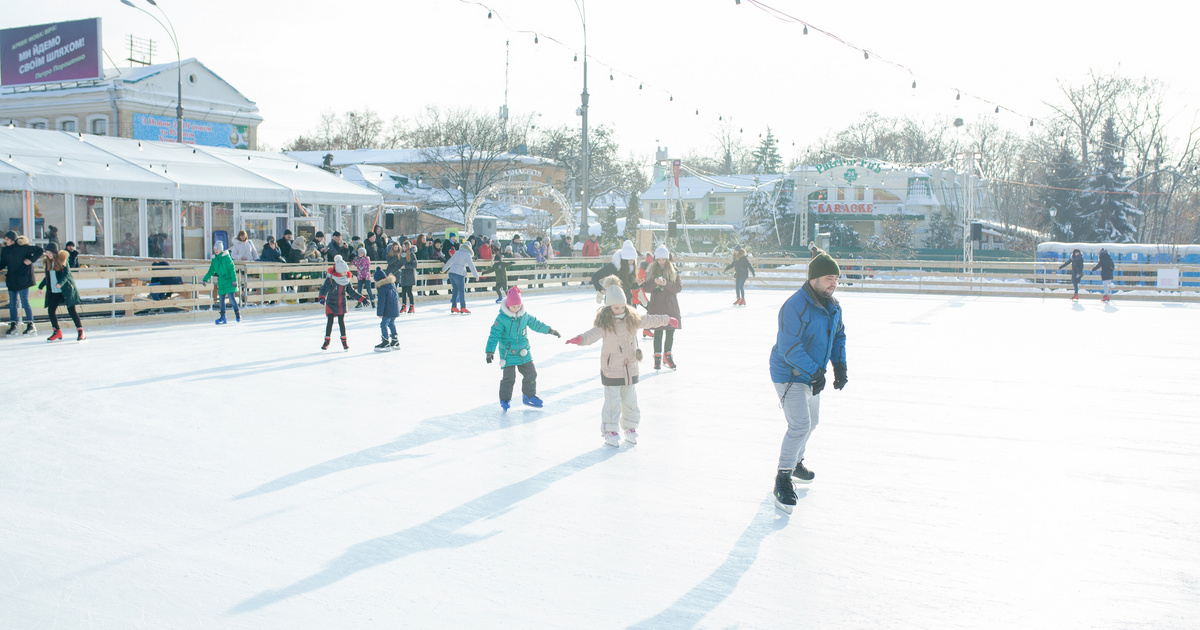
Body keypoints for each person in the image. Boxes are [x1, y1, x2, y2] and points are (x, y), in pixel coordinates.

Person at [769, 250, 848, 514]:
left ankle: (796, 461)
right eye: (828, 278)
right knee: (800, 424)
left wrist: (839, 365)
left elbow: (838, 337)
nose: (833, 283)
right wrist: (815, 372)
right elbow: (788, 347)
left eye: (836, 278)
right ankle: (782, 478)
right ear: (814, 278)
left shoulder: (833, 305)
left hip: (814, 373)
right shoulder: (795, 305)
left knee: (812, 422)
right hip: (789, 373)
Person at [565, 276, 677, 447]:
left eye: (622, 306)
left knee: (630, 401)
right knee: (612, 403)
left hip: (630, 369)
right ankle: (610, 430)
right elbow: (592, 334)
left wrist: (667, 320)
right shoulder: (605, 324)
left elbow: (650, 319)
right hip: (611, 369)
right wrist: (580, 339)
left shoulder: (633, 318)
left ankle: (630, 428)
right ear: (609, 307)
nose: (620, 309)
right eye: (616, 307)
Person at [486, 287, 561, 411]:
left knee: (531, 373)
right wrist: (489, 351)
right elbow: (494, 335)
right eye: (513, 306)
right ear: (508, 305)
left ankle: (528, 396)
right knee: (509, 378)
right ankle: (505, 399)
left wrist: (550, 330)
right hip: (508, 353)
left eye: (518, 306)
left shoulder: (524, 316)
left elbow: (536, 324)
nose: (516, 309)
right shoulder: (501, 319)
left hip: (523, 351)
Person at [642, 245, 683, 370]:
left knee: (670, 333)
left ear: (667, 259)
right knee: (658, 332)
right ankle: (657, 358)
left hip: (670, 306)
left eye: (663, 259)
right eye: (659, 259)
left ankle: (667, 356)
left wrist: (666, 284)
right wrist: (654, 282)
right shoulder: (652, 271)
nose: (661, 262)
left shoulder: (673, 271)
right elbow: (646, 289)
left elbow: (678, 288)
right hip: (657, 307)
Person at [317, 254, 367, 351]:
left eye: (346, 271)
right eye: (344, 272)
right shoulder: (331, 279)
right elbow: (323, 289)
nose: (346, 273)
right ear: (339, 272)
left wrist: (362, 299)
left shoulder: (346, 281)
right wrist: (322, 297)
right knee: (330, 322)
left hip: (341, 303)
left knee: (341, 322)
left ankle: (344, 342)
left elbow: (351, 292)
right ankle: (326, 341)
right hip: (331, 303)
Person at [36, 249, 85, 342]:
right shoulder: (48, 262)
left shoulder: (62, 260)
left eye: (50, 252)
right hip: (55, 291)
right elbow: (48, 276)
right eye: (47, 253)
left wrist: (60, 283)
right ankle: (57, 331)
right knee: (51, 310)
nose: (48, 255)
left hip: (66, 289)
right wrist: (40, 286)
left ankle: (80, 331)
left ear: (55, 253)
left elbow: (66, 274)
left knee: (71, 311)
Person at [2, 231, 45, 335]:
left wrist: (31, 260)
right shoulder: (5, 250)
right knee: (12, 303)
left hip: (23, 278)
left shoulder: (23, 247)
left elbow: (40, 250)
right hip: (12, 279)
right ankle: (14, 324)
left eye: (7, 239)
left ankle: (31, 324)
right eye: (5, 239)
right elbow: (2, 263)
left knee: (24, 301)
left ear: (13, 239)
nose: (5, 241)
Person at [590, 240, 638, 305]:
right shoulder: (613, 267)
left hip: (627, 302)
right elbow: (595, 277)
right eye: (629, 260)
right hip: (612, 302)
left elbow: (629, 286)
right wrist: (600, 289)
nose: (631, 262)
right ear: (623, 260)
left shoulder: (631, 268)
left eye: (633, 260)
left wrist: (638, 285)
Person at [202, 241, 240, 325]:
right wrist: (205, 279)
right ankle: (223, 317)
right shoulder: (214, 259)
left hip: (229, 280)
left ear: (221, 249)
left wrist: (234, 280)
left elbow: (232, 269)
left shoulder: (226, 257)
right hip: (221, 281)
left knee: (231, 298)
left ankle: (237, 314)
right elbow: (211, 270)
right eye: (215, 249)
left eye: (218, 249)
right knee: (221, 300)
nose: (216, 250)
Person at [440, 241, 481, 314]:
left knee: (455, 290)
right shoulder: (467, 254)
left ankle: (454, 307)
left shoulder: (457, 253)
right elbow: (471, 265)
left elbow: (450, 261)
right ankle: (463, 307)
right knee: (461, 291)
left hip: (451, 273)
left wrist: (443, 269)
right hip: (459, 274)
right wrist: (476, 275)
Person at [372, 266, 401, 352]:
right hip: (395, 308)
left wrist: (380, 313)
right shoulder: (391, 284)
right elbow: (396, 297)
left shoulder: (382, 288)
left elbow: (381, 302)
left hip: (388, 310)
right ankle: (395, 340)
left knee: (383, 325)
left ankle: (385, 342)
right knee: (391, 324)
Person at [394, 240, 417, 313]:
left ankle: (412, 306)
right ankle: (404, 306)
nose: (403, 248)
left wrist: (406, 266)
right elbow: (399, 264)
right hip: (403, 276)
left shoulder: (412, 255)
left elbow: (415, 265)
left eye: (404, 247)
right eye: (402, 247)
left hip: (410, 275)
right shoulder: (402, 255)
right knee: (403, 291)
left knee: (409, 291)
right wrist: (392, 272)